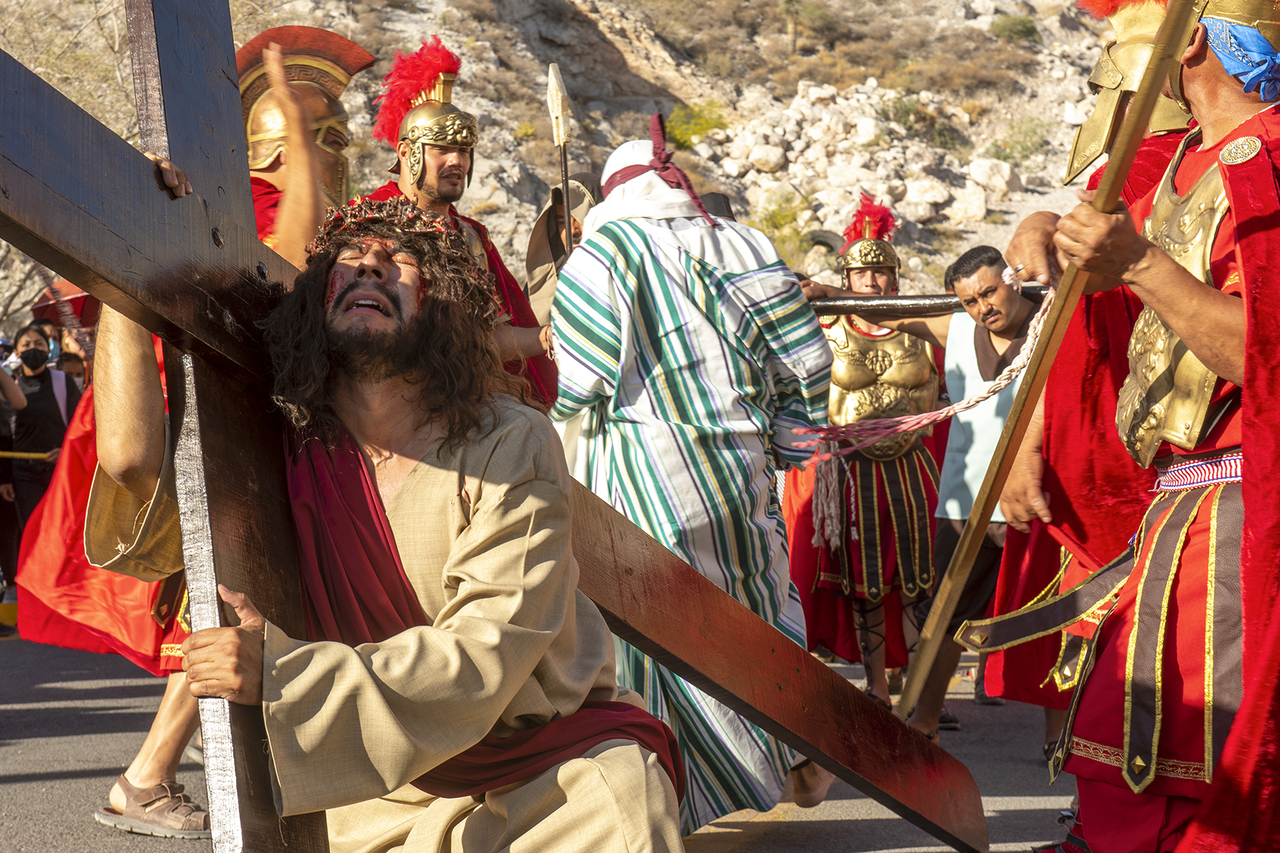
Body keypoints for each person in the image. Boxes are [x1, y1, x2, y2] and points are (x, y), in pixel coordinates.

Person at [88, 196, 686, 852]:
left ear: (441, 306)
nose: (371, 264)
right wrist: (126, 269)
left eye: (399, 260)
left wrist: (285, 677)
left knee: (624, 802)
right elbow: (131, 459)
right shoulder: (281, 447)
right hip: (371, 788)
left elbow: (490, 648)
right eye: (350, 257)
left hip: (537, 768)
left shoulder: (509, 440)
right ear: (316, 298)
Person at [961, 4, 1278, 848]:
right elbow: (1084, 252)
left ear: (1195, 38)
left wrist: (1137, 262)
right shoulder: (1181, 159)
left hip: (1245, 499)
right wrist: (1039, 228)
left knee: (1201, 759)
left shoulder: (1269, 157)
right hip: (1182, 501)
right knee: (1128, 741)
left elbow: (1264, 350)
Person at [550, 115, 835, 832]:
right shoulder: (745, 242)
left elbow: (576, 378)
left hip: (644, 478)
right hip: (740, 478)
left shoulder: (608, 249)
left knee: (658, 648)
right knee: (754, 620)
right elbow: (806, 361)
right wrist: (790, 443)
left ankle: (672, 801)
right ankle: (787, 755)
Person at [990, 0, 1188, 770]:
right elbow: (1074, 331)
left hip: (1167, 451)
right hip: (1113, 448)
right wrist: (1043, 218)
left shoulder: (1202, 164)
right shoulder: (1125, 174)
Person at [845, 246, 1035, 742]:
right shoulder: (959, 330)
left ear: (1012, 280)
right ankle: (924, 722)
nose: (983, 307)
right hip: (965, 500)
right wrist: (829, 294)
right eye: (970, 300)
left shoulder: (1052, 322)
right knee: (946, 614)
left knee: (1056, 612)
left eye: (990, 292)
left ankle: (1060, 736)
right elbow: (883, 312)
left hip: (1036, 497)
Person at [783, 196, 942, 708]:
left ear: (894, 280)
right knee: (864, 580)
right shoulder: (826, 323)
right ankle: (875, 688)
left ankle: (918, 687)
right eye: (863, 273)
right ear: (847, 279)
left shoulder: (921, 325)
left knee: (919, 578)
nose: (872, 281)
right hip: (851, 471)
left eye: (881, 273)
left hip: (912, 464)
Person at [364, 37, 557, 408]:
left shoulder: (469, 235)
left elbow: (492, 338)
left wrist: (549, 337)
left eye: (464, 151)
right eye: (442, 149)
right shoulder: (375, 220)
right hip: (399, 404)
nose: (457, 160)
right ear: (407, 153)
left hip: (470, 397)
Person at [238, 27, 375, 266]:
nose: (341, 157)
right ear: (285, 152)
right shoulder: (258, 208)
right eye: (333, 144)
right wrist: (299, 130)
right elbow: (296, 270)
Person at [10, 323, 79, 528]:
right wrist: (4, 478)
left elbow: (78, 424)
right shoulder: (9, 384)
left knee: (61, 528)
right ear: (16, 352)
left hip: (59, 470)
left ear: (48, 349)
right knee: (32, 530)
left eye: (39, 344)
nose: (33, 349)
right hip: (23, 475)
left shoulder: (63, 381)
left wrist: (66, 451)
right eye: (27, 344)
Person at [524, 172, 602, 325]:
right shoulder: (543, 283)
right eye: (562, 223)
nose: (572, 231)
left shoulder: (619, 274)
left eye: (581, 219)